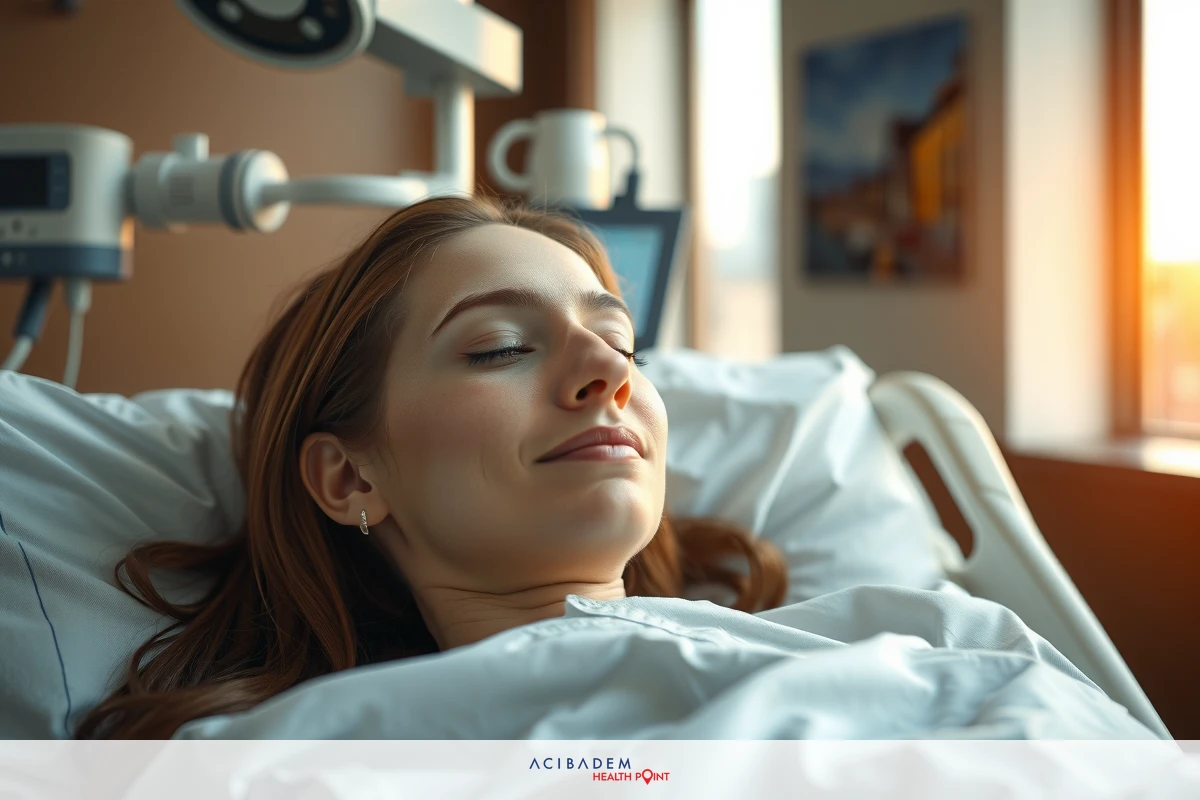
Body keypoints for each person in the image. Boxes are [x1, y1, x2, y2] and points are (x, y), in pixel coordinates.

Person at [76, 195, 787, 739]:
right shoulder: (295, 759)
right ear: (350, 479)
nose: (608, 370)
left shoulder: (849, 641)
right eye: (501, 347)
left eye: (621, 342)